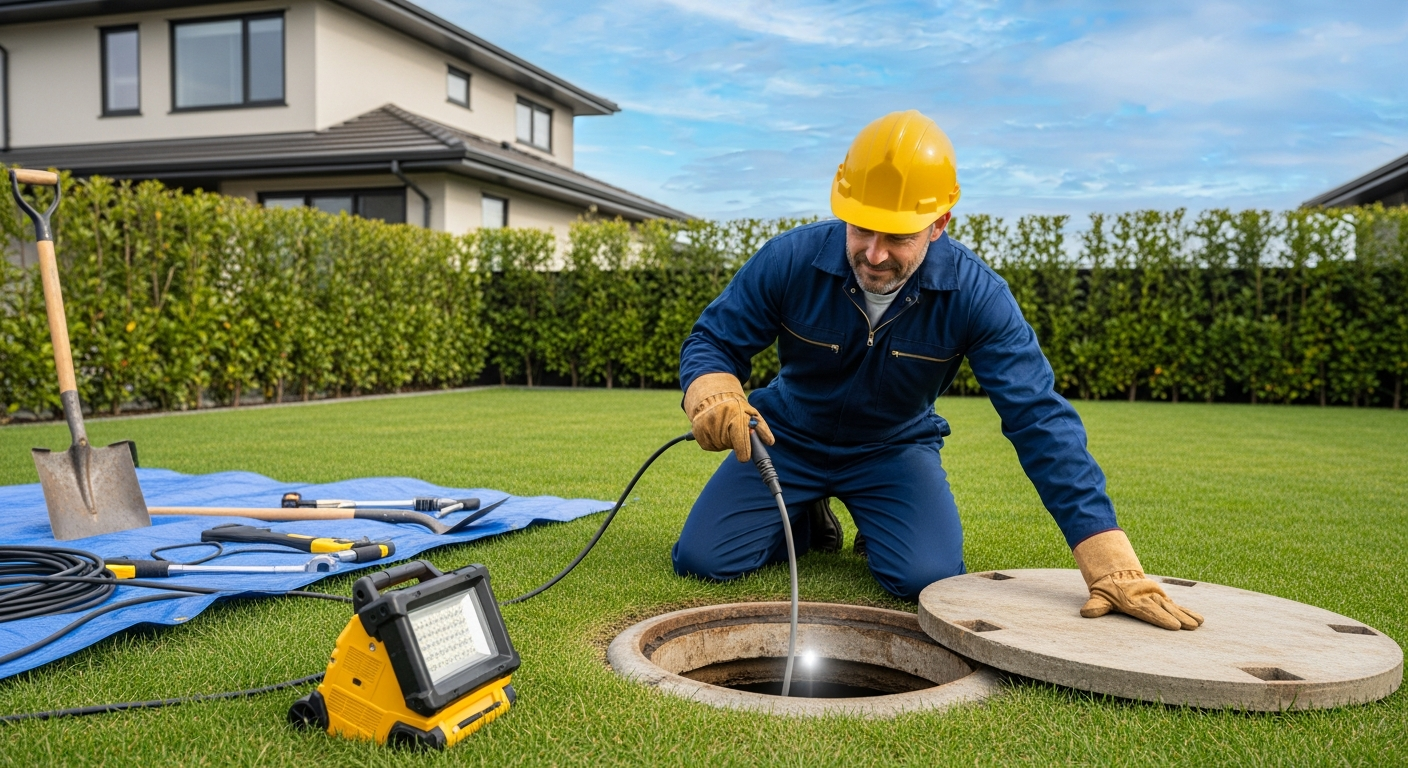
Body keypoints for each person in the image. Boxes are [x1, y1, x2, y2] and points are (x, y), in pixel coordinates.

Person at [672, 110, 1202, 631]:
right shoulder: (791, 258)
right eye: (862, 230)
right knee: (702, 560)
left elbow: (1038, 417)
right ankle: (805, 518)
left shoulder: (977, 295)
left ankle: (870, 520)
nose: (874, 254)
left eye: (897, 237)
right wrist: (713, 392)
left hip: (892, 450)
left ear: (939, 224)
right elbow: (714, 338)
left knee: (926, 578)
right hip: (784, 436)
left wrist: (1106, 555)